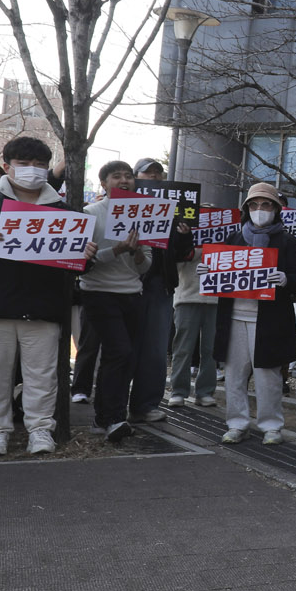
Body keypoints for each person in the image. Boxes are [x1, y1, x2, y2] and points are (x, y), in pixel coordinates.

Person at [0, 136, 92, 457]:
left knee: (43, 375)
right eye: (24, 164)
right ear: (7, 167)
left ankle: (40, 431)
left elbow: (78, 265)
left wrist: (85, 254)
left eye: (40, 165)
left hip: (43, 308)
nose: (32, 171)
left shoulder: (62, 211)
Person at [213, 182, 296, 445]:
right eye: (254, 205)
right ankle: (237, 423)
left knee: (268, 376)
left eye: (266, 204)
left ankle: (271, 426)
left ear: (276, 209)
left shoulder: (287, 242)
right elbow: (221, 274)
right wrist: (210, 272)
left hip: (270, 320)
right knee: (234, 375)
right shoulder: (234, 238)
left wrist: (286, 279)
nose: (260, 209)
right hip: (234, 317)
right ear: (247, 209)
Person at [80, 160, 155, 443]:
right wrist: (118, 249)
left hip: (132, 294)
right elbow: (85, 263)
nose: (124, 181)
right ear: (103, 183)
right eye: (116, 176)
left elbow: (146, 265)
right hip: (98, 292)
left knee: (124, 356)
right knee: (119, 352)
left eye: (128, 176)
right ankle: (113, 418)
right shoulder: (90, 214)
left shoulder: (144, 214)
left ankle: (105, 417)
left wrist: (136, 252)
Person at [127, 157, 185, 422]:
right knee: (123, 348)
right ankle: (113, 406)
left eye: (158, 173)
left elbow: (181, 254)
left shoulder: (174, 211)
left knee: (155, 350)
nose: (153, 177)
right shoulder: (123, 206)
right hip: (126, 285)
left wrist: (184, 235)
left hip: (160, 285)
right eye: (147, 173)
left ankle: (146, 405)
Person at [169, 240, 219, 408]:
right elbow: (172, 265)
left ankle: (205, 392)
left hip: (216, 297)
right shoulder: (185, 232)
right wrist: (195, 251)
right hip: (187, 296)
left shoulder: (226, 231)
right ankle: (178, 391)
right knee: (183, 347)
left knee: (211, 349)